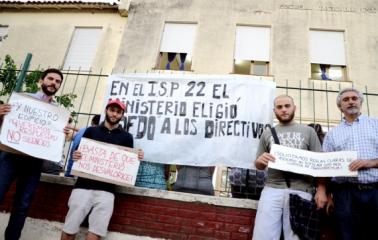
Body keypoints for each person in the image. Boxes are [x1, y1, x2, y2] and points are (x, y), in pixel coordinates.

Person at [0, 68, 71, 240]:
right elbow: (5, 125)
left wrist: (66, 134)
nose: (53, 83)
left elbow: (57, 140)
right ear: (41, 81)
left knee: (23, 205)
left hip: (34, 163)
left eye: (57, 81)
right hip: (10, 156)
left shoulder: (58, 113)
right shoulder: (22, 100)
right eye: (50, 79)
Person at [61, 99, 144, 240]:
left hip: (107, 191)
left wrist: (137, 157)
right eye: (112, 110)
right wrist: (76, 155)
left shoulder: (127, 138)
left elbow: (127, 164)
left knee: (95, 234)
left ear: (122, 115)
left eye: (118, 112)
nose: (114, 114)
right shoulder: (90, 131)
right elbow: (78, 154)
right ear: (106, 110)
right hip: (82, 187)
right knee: (69, 229)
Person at [252, 95, 327, 240]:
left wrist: (322, 189)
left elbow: (321, 164)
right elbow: (258, 164)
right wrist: (260, 161)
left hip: (302, 190)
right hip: (272, 189)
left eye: (287, 106)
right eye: (279, 107)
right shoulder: (268, 133)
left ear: (294, 108)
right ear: (275, 111)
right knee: (263, 235)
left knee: (296, 237)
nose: (284, 110)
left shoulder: (308, 131)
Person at [322, 88, 378, 240]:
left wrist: (369, 163)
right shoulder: (332, 134)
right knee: (346, 235)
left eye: (354, 98)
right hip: (344, 194)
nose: (351, 101)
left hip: (375, 191)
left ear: (361, 102)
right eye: (346, 100)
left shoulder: (376, 125)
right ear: (340, 106)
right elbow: (325, 167)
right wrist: (327, 194)